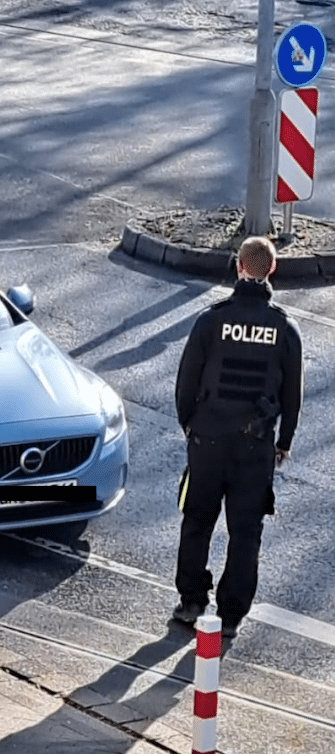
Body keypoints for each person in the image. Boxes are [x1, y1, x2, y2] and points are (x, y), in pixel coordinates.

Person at [172, 236, 303, 639]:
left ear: (238, 266)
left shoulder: (211, 321)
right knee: (246, 532)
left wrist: (192, 428)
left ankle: (192, 601)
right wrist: (284, 441)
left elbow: (185, 384)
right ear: (273, 270)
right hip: (255, 446)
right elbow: (291, 394)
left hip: (208, 441)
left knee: (197, 521)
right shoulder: (284, 328)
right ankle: (230, 616)